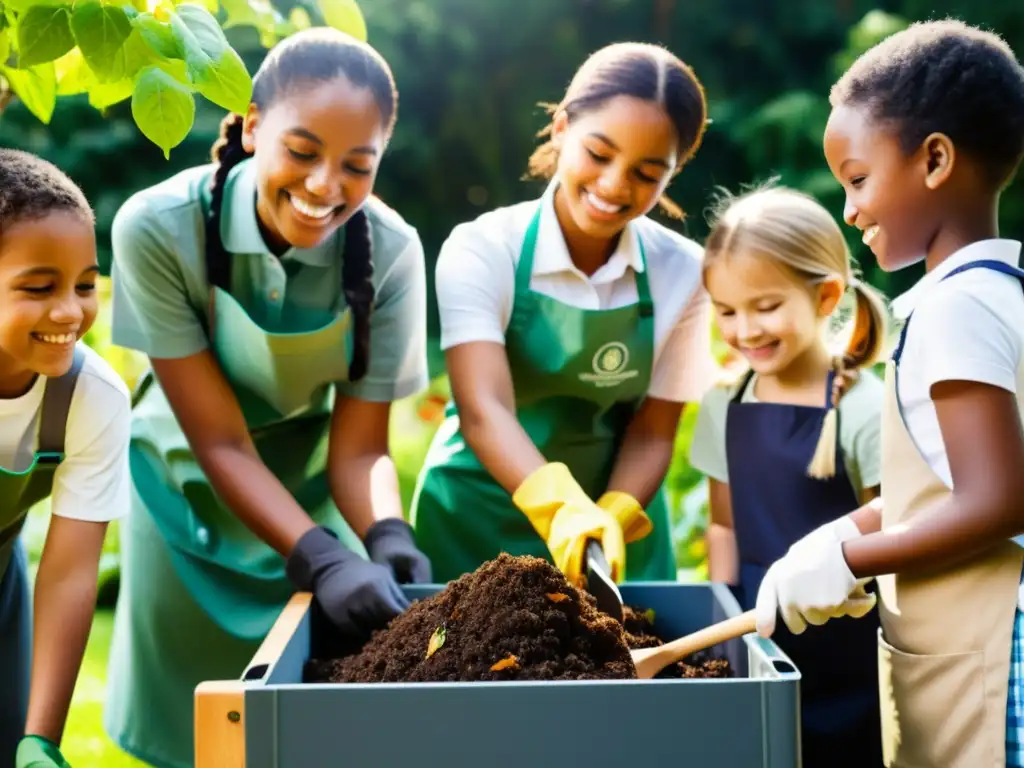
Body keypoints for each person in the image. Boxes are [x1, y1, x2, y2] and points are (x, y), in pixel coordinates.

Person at [104, 28, 432, 768]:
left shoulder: (392, 252)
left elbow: (363, 448)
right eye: (303, 150)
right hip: (184, 494)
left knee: (307, 737)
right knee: (183, 731)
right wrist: (320, 559)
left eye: (358, 165)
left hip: (311, 489)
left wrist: (384, 533)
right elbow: (217, 439)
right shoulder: (157, 227)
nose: (325, 187)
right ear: (253, 126)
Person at [752, 20, 1024, 768]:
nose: (850, 210)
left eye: (858, 178)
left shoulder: (956, 307)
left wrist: (854, 560)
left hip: (996, 657)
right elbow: (940, 485)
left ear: (935, 159)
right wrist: (839, 534)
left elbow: (999, 500)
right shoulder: (996, 291)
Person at [409, 42, 716, 588]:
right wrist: (560, 509)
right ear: (561, 128)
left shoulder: (685, 273)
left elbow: (653, 431)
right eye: (599, 154)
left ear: (674, 172)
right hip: (476, 522)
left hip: (613, 532)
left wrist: (614, 515)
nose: (615, 186)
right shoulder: (483, 249)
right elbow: (484, 409)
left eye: (647, 173)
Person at [688, 184, 887, 766]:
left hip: (851, 649)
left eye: (766, 306)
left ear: (826, 296)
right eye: (726, 311)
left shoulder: (864, 407)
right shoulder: (724, 403)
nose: (745, 330)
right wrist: (726, 630)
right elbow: (724, 528)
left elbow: (892, 532)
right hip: (758, 636)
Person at [0, 149, 132, 768]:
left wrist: (40, 739)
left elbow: (71, 572)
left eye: (84, 284)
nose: (70, 312)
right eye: (38, 287)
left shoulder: (91, 397)